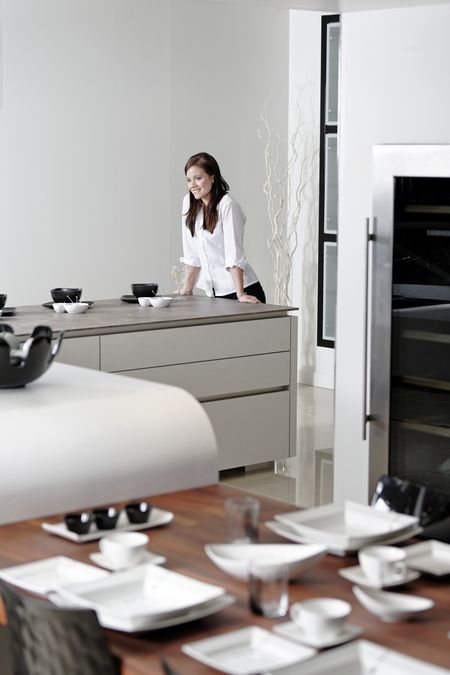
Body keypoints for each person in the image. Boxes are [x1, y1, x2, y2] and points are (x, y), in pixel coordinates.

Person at [178, 152, 266, 304]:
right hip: (214, 295)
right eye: (188, 180)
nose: (192, 185)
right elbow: (192, 255)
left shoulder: (227, 206)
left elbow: (234, 254)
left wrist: (240, 294)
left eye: (198, 178)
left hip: (242, 291)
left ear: (212, 177)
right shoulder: (189, 203)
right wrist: (186, 289)